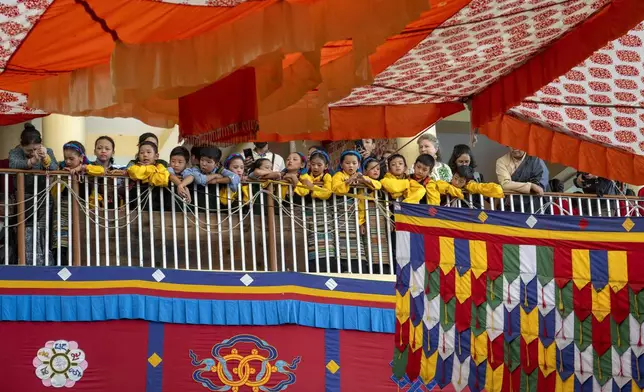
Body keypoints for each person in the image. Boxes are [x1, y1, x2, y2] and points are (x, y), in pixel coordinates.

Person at [9, 123, 57, 265]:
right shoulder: (15, 152)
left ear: (41, 144)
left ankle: (45, 261)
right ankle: (24, 261)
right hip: (23, 198)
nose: (32, 152)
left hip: (43, 196)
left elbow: (54, 167)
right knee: (24, 230)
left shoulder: (47, 151)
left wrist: (45, 158)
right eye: (28, 150)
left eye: (35, 149)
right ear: (21, 146)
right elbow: (13, 165)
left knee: (45, 230)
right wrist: (32, 161)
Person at [52, 141, 90, 265]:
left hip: (82, 210)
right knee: (61, 241)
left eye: (71, 158)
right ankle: (61, 266)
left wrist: (82, 169)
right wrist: (63, 175)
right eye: (65, 158)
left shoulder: (89, 169)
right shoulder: (61, 169)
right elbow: (54, 191)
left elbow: (99, 170)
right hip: (62, 210)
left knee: (81, 241)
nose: (67, 162)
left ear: (81, 158)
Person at [331, 150, 368, 271]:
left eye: (354, 163)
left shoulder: (361, 176)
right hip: (341, 216)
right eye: (347, 163)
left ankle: (357, 270)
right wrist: (348, 181)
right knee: (341, 244)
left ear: (358, 164)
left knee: (356, 246)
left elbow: (363, 201)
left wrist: (361, 221)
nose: (351, 166)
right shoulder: (338, 176)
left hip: (355, 217)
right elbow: (336, 189)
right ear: (341, 165)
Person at [300, 150, 334, 273]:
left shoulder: (328, 177)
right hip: (309, 214)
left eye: (319, 165)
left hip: (324, 215)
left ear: (326, 166)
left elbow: (327, 193)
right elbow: (302, 191)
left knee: (326, 242)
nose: (315, 167)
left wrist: (312, 189)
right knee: (310, 242)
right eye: (313, 164)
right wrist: (316, 189)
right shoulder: (305, 176)